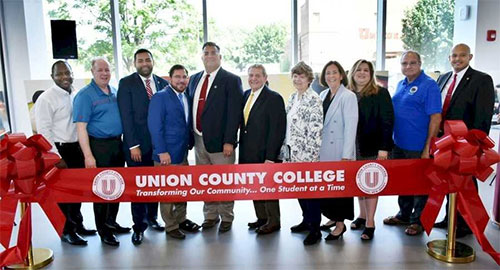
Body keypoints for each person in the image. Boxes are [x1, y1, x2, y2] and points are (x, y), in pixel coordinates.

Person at [433, 43, 495, 238]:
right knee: (447, 179)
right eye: (453, 56)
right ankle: (449, 217)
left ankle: (466, 223)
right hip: (443, 140)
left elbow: (483, 114)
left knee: (466, 182)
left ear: (470, 57)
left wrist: (476, 143)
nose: (457, 59)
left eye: (462, 55)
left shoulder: (481, 80)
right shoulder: (443, 78)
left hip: (466, 143)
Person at [34, 61, 97, 245]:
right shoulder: (46, 98)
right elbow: (43, 131)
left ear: (72, 73)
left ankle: (78, 224)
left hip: (77, 147)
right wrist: (55, 157)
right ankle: (66, 231)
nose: (64, 77)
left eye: (67, 73)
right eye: (59, 74)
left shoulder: (76, 94)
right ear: (52, 76)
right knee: (63, 194)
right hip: (60, 150)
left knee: (77, 191)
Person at [383, 51, 442, 236]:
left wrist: (427, 147)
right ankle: (404, 215)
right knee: (404, 183)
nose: (408, 66)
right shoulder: (401, 84)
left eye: (412, 63)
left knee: (419, 185)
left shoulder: (429, 85)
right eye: (404, 63)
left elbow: (435, 118)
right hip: (398, 144)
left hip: (417, 146)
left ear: (420, 63)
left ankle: (418, 221)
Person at [187, 42, 243, 232]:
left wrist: (229, 141)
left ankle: (226, 216)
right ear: (201, 57)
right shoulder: (194, 79)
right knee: (205, 180)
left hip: (221, 142)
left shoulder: (231, 80)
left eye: (213, 53)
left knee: (225, 180)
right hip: (198, 139)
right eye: (206, 53)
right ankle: (210, 215)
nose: (209, 56)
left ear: (220, 57)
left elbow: (234, 113)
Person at [73, 58, 130, 246]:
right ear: (92, 71)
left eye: (107, 69)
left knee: (117, 187)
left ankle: (111, 222)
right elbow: (81, 128)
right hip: (99, 147)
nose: (104, 73)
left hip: (117, 144)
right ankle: (103, 230)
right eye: (100, 70)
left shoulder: (113, 90)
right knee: (102, 191)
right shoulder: (85, 95)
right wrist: (88, 156)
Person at [117, 48, 168, 245]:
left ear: (153, 61)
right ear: (135, 63)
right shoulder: (126, 83)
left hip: (157, 147)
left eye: (147, 60)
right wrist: (133, 145)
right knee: (138, 187)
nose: (144, 63)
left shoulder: (162, 83)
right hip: (137, 146)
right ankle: (138, 226)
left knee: (154, 184)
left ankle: (152, 218)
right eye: (140, 60)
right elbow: (126, 116)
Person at [148, 64, 201, 240]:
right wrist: (161, 151)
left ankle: (181, 219)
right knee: (167, 191)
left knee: (182, 189)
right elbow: (155, 127)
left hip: (182, 153)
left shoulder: (186, 96)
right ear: (170, 78)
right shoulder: (160, 97)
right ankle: (171, 226)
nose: (181, 80)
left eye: (184, 77)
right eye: (177, 77)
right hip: (166, 155)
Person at [347, 59, 394, 240]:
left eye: (366, 70)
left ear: (371, 73)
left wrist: (384, 148)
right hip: (352, 147)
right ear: (352, 72)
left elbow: (387, 121)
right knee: (358, 183)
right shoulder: (347, 93)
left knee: (371, 184)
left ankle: (370, 222)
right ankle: (362, 215)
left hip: (372, 146)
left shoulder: (380, 93)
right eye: (358, 69)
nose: (362, 73)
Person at [240, 64, 286, 235]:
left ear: (266, 78)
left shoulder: (274, 98)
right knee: (255, 186)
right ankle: (261, 218)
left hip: (266, 153)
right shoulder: (246, 95)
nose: (254, 78)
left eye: (258, 75)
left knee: (268, 187)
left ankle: (273, 221)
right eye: (251, 75)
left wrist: (271, 157)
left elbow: (277, 130)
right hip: (248, 151)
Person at [283, 61, 323, 245]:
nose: (298, 79)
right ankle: (306, 220)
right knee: (299, 189)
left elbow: (316, 130)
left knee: (310, 193)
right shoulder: (293, 97)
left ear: (309, 79)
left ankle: (315, 229)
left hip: (308, 155)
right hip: (292, 153)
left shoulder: (313, 99)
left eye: (302, 76)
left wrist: (312, 157)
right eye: (295, 76)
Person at [317, 61, 358, 241]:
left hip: (340, 150)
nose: (331, 76)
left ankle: (341, 224)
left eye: (334, 73)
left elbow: (351, 127)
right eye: (327, 73)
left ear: (341, 75)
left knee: (340, 188)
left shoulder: (348, 96)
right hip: (324, 149)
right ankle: (332, 218)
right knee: (328, 187)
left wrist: (346, 155)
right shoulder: (324, 94)